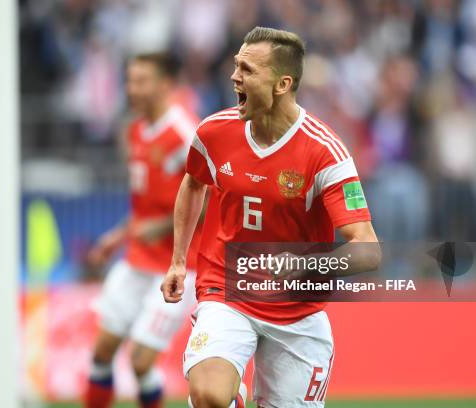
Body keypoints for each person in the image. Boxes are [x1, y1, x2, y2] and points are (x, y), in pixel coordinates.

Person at [161, 27, 381, 408]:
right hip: (226, 288)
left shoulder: (324, 153)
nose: (234, 77)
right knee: (209, 395)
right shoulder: (213, 132)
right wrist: (179, 260)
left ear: (282, 83)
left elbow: (367, 249)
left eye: (247, 69)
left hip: (296, 311)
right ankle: (229, 393)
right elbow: (193, 183)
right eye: (235, 66)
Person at [84, 53, 201, 408]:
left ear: (165, 85)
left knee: (140, 361)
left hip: (179, 267)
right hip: (137, 260)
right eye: (129, 80)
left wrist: (164, 226)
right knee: (102, 350)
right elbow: (144, 207)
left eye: (141, 81)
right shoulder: (134, 131)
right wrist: (115, 238)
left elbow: (210, 195)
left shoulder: (185, 132)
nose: (131, 89)